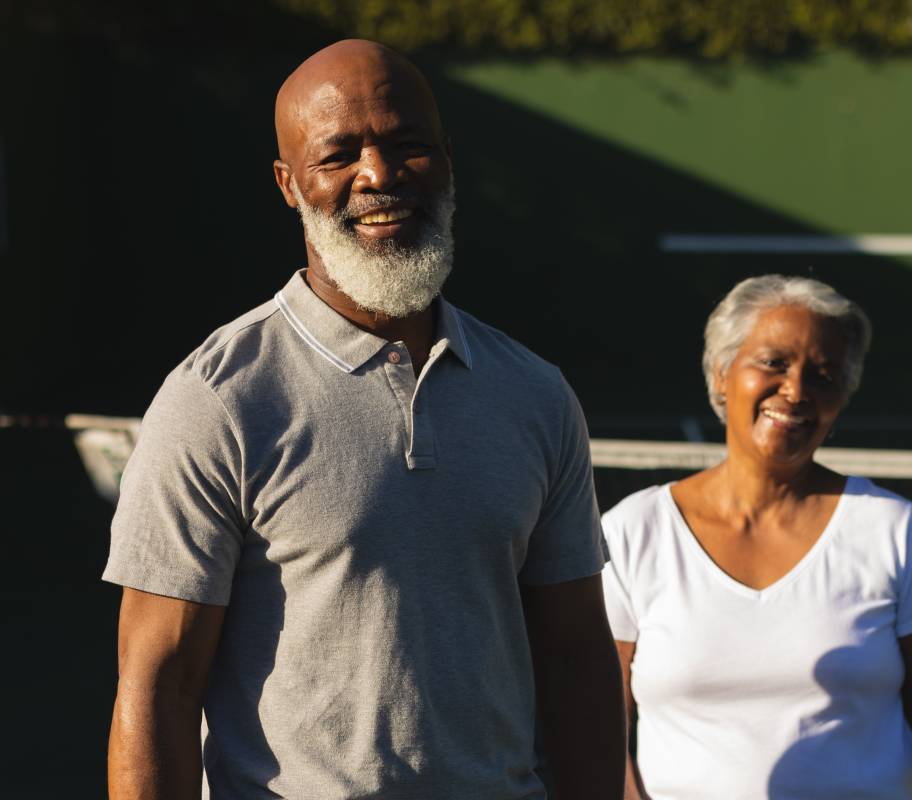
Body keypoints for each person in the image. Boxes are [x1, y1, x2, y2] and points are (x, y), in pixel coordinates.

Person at [103, 40, 623, 800]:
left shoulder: (534, 394)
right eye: (338, 155)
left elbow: (576, 654)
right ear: (288, 185)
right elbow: (158, 685)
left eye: (407, 145)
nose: (378, 176)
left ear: (446, 159)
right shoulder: (219, 400)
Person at [601, 275, 912, 800]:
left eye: (823, 375)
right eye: (774, 363)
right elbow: (592, 717)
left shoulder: (892, 530)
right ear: (721, 373)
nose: (797, 390)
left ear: (841, 399)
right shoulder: (633, 533)